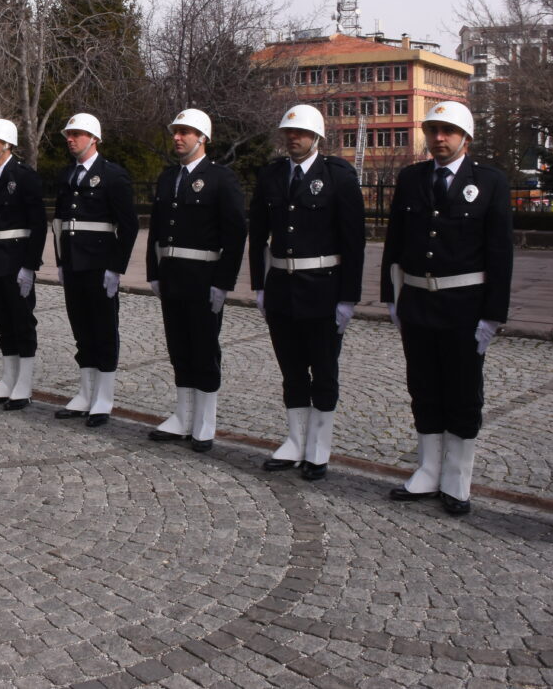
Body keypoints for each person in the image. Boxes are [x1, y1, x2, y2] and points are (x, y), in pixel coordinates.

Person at [382, 101, 512, 516]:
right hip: (419, 301)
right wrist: (392, 297)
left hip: (464, 306)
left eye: (448, 131)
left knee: (462, 392)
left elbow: (500, 252)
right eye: (433, 130)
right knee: (423, 388)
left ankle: (456, 477)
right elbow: (395, 241)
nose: (439, 138)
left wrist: (493, 314)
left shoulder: (489, 182)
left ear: (466, 138)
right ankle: (428, 469)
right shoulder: (412, 178)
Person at [248, 105, 365, 479]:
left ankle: (318, 447)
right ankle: (295, 441)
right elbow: (257, 235)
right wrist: (259, 285)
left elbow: (354, 241)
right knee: (292, 370)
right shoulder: (271, 175)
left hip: (323, 288)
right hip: (282, 287)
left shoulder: (337, 176)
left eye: (299, 132)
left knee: (324, 371)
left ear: (316, 137)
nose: (292, 138)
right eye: (288, 132)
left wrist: (348, 297)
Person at [144, 109, 246, 451]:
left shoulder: (220, 178)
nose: (177, 137)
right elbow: (156, 230)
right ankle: (182, 416)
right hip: (172, 275)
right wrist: (154, 271)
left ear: (202, 138)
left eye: (185, 132)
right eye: (175, 131)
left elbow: (235, 234)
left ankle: (204, 422)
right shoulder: (168, 177)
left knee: (204, 350)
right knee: (179, 349)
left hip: (203, 278)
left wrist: (223, 282)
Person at [52, 113, 138, 427]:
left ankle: (104, 398)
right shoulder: (67, 175)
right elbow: (60, 224)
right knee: (82, 331)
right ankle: (85, 393)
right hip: (74, 264)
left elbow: (128, 226)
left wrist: (116, 268)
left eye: (76, 134)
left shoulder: (112, 175)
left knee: (104, 331)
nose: (70, 139)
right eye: (68, 134)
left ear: (93, 138)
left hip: (100, 267)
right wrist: (61, 262)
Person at [0, 119, 47, 410]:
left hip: (16, 260)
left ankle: (24, 384)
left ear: (7, 144)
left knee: (22, 320)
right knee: (2, 321)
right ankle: (8, 379)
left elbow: (38, 224)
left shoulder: (24, 176)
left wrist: (29, 266)